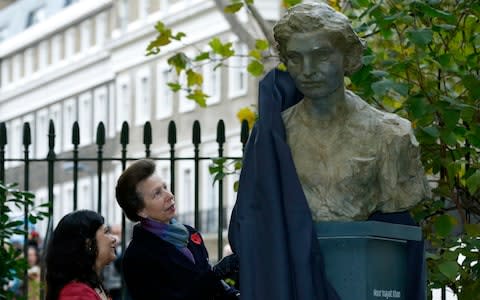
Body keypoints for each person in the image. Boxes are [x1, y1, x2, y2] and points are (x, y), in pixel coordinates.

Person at [228, 2, 430, 300]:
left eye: (321, 55)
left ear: (348, 57)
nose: (307, 71)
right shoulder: (273, 137)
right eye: (296, 59)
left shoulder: (391, 135)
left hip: (363, 269)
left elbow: (401, 202)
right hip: (295, 278)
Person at [115, 159, 239, 300]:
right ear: (141, 210)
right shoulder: (137, 256)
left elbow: (214, 287)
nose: (169, 196)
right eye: (157, 193)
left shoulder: (190, 233)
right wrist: (215, 273)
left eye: (165, 187)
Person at [45, 210, 117, 300]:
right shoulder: (77, 294)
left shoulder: (88, 286)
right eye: (106, 232)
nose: (113, 239)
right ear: (89, 244)